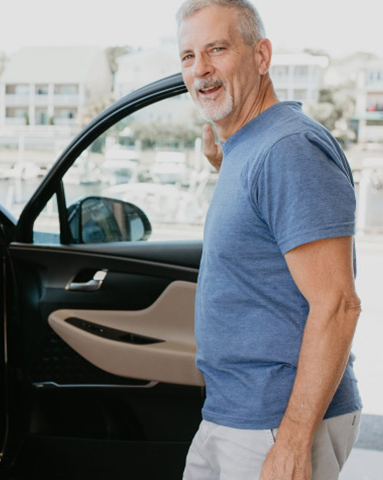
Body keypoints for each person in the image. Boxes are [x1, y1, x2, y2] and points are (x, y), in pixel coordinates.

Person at [176, 1, 362, 479]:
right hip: (235, 413)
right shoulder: (250, 146)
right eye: (189, 56)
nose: (201, 70)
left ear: (261, 56)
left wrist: (295, 441)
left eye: (217, 49)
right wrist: (225, 159)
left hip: (275, 422)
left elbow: (337, 304)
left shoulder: (288, 150)